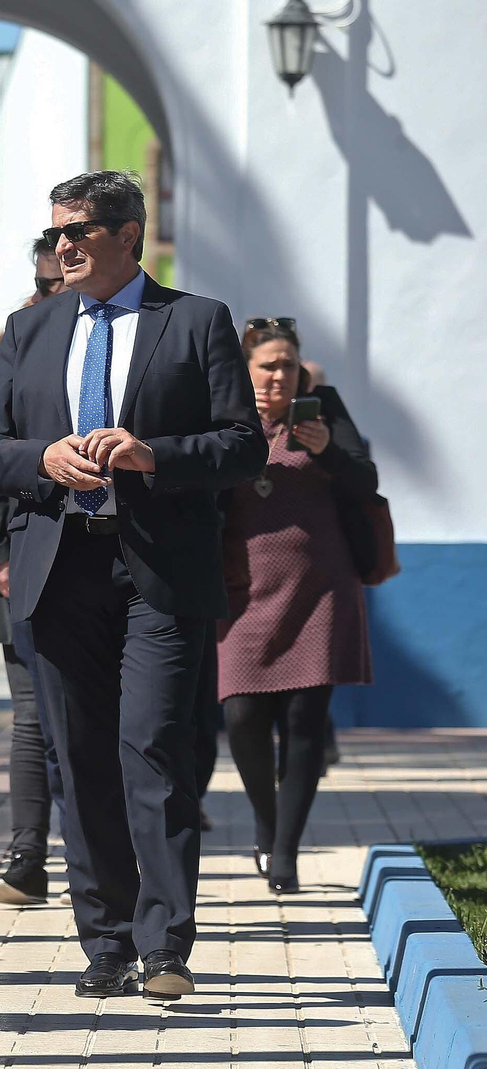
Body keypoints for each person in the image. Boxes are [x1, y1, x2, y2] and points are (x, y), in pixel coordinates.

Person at [0, 171, 265, 1001]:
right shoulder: (28, 331)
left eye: (80, 229)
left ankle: (165, 945)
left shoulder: (195, 321)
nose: (63, 244)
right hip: (59, 573)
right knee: (80, 762)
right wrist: (44, 459)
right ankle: (105, 945)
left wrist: (154, 456)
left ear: (128, 233)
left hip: (158, 573)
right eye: (56, 230)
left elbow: (245, 445)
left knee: (154, 750)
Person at [218, 320, 374, 893]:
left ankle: (285, 852)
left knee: (306, 723)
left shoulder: (322, 412)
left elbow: (367, 481)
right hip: (244, 593)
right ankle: (266, 821)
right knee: (241, 717)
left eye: (289, 364)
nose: (280, 374)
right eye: (268, 364)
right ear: (246, 370)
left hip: (320, 590)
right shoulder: (225, 415)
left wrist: (329, 451)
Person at [0, 234, 70, 907]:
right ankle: (27, 853)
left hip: (107, 564)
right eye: (39, 284)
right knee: (33, 715)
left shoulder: (120, 349)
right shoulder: (21, 345)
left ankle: (101, 852)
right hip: (24, 561)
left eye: (54, 283)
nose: (44, 296)